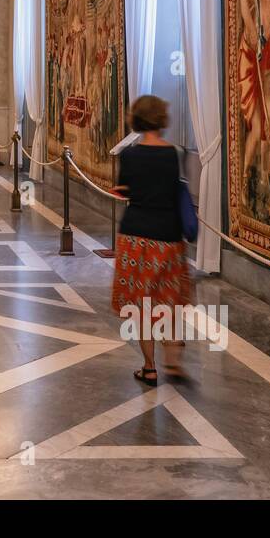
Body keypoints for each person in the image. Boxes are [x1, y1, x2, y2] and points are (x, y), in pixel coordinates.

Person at [110, 95, 190, 385]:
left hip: (135, 237)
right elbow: (174, 191)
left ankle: (149, 366)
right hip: (168, 236)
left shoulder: (130, 155)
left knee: (141, 303)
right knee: (168, 299)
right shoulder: (173, 154)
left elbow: (125, 190)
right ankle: (174, 363)